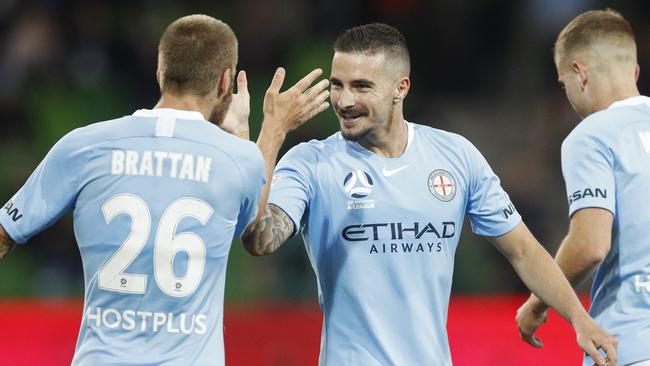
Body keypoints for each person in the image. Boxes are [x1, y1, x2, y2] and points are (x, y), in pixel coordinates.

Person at [241, 23, 617, 366]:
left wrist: (579, 320)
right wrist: (272, 131)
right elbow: (259, 239)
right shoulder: (312, 162)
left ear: (401, 88)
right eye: (338, 85)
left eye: (361, 86)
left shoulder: (454, 156)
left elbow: (522, 249)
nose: (344, 100)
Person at [0, 14, 329, 365]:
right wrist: (271, 131)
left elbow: (5, 232)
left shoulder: (83, 146)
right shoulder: (238, 159)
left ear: (160, 75)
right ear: (224, 82)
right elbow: (256, 233)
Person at [517, 9, 649, 366]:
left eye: (564, 85)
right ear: (634, 72)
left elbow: (590, 245)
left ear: (579, 73)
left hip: (630, 342)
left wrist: (537, 302)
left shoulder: (592, 135)